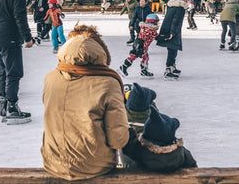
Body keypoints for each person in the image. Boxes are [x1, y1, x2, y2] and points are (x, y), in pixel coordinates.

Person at [42, 24, 134, 181]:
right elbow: (117, 139)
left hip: (53, 163)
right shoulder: (108, 83)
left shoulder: (50, 78)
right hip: (94, 165)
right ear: (100, 52)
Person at [122, 106, 197, 172]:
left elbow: (127, 147)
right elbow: (193, 168)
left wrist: (130, 132)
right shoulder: (181, 152)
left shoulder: (140, 150)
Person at [156, 0, 187, 80]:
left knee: (173, 48)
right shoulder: (180, 7)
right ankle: (168, 70)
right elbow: (175, 21)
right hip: (173, 30)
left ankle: (172, 67)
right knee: (173, 49)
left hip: (167, 29)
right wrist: (173, 32)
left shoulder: (172, 5)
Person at [119, 13, 160, 78]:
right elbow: (157, 37)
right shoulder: (151, 31)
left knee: (145, 57)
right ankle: (123, 67)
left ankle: (143, 71)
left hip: (137, 42)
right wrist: (165, 37)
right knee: (134, 56)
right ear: (153, 22)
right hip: (141, 45)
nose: (157, 24)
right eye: (156, 22)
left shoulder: (144, 27)